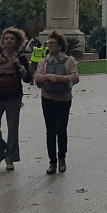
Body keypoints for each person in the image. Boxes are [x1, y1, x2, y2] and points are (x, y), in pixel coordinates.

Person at [0, 27, 33, 170]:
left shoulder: (21, 58)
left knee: (13, 128)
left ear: (17, 42)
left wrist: (18, 65)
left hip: (13, 97)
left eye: (12, 38)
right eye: (6, 38)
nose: (9, 41)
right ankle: (1, 151)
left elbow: (27, 79)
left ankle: (10, 158)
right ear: (2, 42)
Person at [35, 30, 80, 175]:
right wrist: (49, 76)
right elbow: (37, 78)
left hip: (64, 99)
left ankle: (62, 158)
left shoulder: (69, 61)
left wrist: (60, 79)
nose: (50, 46)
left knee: (61, 129)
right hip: (47, 99)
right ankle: (52, 161)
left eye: (53, 43)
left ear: (60, 46)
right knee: (50, 131)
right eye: (48, 44)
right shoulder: (44, 61)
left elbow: (75, 77)